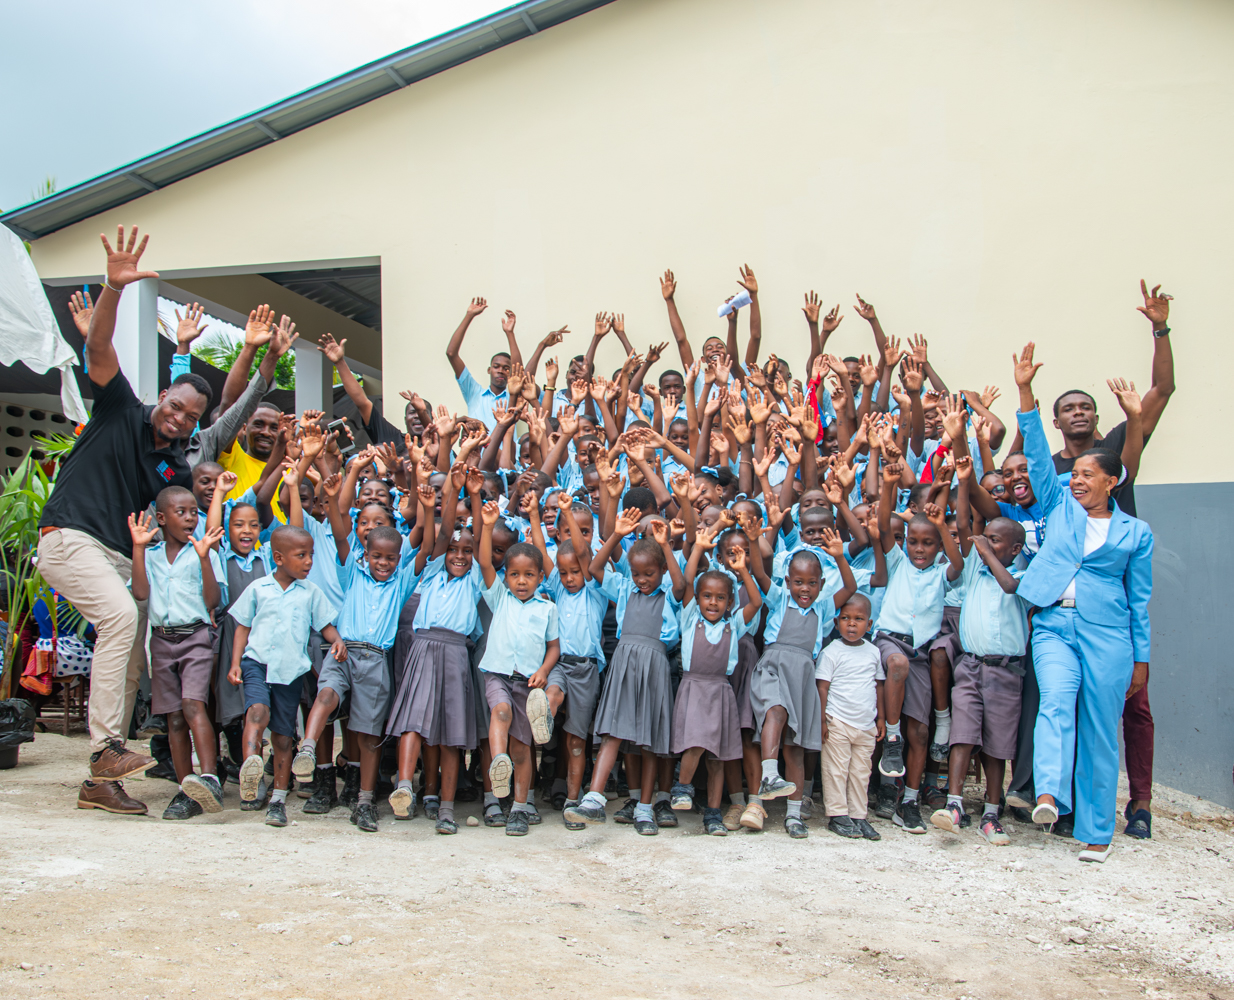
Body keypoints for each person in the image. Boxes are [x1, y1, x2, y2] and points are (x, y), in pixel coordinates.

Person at [42, 226, 215, 817]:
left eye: (189, 417)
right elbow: (98, 350)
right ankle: (107, 747)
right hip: (69, 537)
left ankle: (101, 781)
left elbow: (181, 513)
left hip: (118, 555)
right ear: (161, 395)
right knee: (120, 616)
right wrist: (115, 290)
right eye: (174, 404)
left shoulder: (171, 469)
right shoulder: (119, 408)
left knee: (134, 644)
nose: (177, 418)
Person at [1012, 344, 1153, 863]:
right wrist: (1025, 391)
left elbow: (1140, 602)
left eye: (1088, 475)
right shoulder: (1059, 505)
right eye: (1075, 475)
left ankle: (1095, 833)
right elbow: (1033, 442)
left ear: (1111, 481)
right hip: (1054, 626)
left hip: (1110, 636)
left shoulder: (1135, 534)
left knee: (1099, 729)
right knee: (1055, 704)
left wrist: (1141, 658)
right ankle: (1048, 794)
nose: (1077, 480)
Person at [1049, 282, 1173, 839]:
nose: (1078, 413)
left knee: (1132, 705)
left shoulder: (1120, 447)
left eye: (1085, 407)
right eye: (1068, 408)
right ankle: (1068, 801)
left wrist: (1159, 329)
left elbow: (1163, 390)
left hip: (1114, 605)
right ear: (1058, 422)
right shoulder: (1052, 471)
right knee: (1064, 703)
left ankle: (1140, 803)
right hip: (1064, 610)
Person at [293, 493, 421, 832]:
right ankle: (307, 749)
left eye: (390, 558)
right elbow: (338, 534)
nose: (382, 563)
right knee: (325, 695)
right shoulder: (352, 572)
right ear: (365, 553)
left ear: (398, 559)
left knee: (367, 734)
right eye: (376, 556)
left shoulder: (403, 582)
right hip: (343, 650)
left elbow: (428, 547)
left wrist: (430, 500)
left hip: (376, 660)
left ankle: (364, 801)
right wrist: (334, 498)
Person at [564, 512, 684, 834]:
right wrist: (616, 535)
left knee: (649, 742)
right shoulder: (624, 588)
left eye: (649, 574)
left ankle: (645, 808)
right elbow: (594, 568)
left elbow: (682, 585)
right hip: (624, 664)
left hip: (655, 667)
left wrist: (666, 547)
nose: (643, 580)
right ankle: (594, 798)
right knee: (612, 733)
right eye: (637, 573)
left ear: (661, 571)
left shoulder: (669, 594)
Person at [929, 476, 1030, 847]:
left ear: (1015, 548)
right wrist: (964, 480)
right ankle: (954, 804)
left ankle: (991, 810)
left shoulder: (1021, 573)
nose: (986, 541)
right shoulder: (974, 570)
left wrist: (987, 553)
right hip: (970, 666)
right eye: (986, 537)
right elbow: (964, 522)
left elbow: (1011, 588)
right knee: (964, 734)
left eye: (996, 540)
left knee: (997, 744)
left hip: (1005, 671)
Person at [387, 468, 486, 834]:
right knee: (414, 721)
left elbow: (478, 545)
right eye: (454, 551)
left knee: (451, 734)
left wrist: (473, 498)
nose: (458, 556)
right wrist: (431, 509)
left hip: (456, 652)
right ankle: (403, 787)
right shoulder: (429, 573)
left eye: (466, 551)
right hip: (423, 648)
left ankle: (446, 808)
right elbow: (438, 539)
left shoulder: (475, 578)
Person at [229, 525, 346, 827]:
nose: (309, 561)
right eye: (301, 555)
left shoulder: (311, 592)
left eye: (311, 555)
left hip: (291, 671)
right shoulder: (258, 589)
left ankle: (278, 799)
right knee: (256, 712)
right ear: (279, 558)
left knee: (283, 737)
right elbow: (242, 627)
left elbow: (325, 625)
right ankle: (251, 769)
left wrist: (337, 640)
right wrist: (235, 663)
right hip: (257, 662)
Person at [871, 464, 963, 835]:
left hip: (921, 653)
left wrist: (943, 525)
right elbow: (882, 524)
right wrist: (890, 484)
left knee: (921, 734)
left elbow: (959, 562)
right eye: (913, 542)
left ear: (938, 545)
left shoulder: (943, 571)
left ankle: (908, 801)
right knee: (895, 665)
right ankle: (892, 737)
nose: (919, 549)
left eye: (928, 543)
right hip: (891, 641)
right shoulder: (897, 563)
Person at [748, 532, 856, 839]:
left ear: (821, 584)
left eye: (811, 583)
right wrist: (755, 541)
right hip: (774, 666)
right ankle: (770, 775)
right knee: (776, 712)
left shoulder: (822, 609)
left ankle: (794, 815)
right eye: (797, 582)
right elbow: (758, 571)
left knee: (795, 749)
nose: (804, 589)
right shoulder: (779, 597)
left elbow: (851, 587)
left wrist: (839, 556)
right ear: (787, 580)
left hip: (803, 674)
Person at [126, 489, 226, 820]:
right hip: (161, 642)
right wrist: (138, 549)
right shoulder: (152, 556)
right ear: (161, 519)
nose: (189, 518)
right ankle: (186, 789)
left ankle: (209, 777)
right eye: (181, 512)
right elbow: (140, 593)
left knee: (193, 705)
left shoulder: (203, 552)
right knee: (174, 717)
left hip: (195, 637)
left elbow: (212, 601)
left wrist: (203, 557)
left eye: (194, 512)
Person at [669, 529, 762, 836]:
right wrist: (697, 548)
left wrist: (742, 570)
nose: (713, 602)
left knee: (718, 758)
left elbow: (757, 600)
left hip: (720, 691)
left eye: (720, 598)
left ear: (729, 601)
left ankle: (712, 813)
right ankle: (682, 788)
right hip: (694, 688)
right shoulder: (689, 617)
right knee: (695, 745)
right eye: (707, 596)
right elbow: (684, 584)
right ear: (697, 599)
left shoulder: (733, 624)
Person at [475, 503, 561, 837]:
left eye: (528, 575)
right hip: (497, 673)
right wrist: (486, 526)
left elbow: (554, 647)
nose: (521, 581)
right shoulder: (500, 598)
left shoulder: (547, 608)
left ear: (540, 577)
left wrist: (543, 670)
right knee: (500, 712)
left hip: (528, 682)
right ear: (505, 576)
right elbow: (484, 562)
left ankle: (520, 807)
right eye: (514, 574)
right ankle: (499, 762)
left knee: (524, 749)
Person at [528, 493, 608, 827]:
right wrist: (534, 516)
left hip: (587, 668)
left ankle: (574, 801)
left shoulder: (594, 587)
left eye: (574, 571)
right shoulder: (558, 587)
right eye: (564, 573)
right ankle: (544, 716)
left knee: (576, 741)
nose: (569, 577)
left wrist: (565, 512)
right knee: (552, 692)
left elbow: (585, 553)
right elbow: (542, 554)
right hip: (561, 663)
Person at [816, 593, 883, 841]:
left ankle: (858, 815)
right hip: (838, 720)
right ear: (836, 623)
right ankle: (837, 815)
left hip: (866, 724)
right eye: (845, 618)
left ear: (870, 624)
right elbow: (822, 687)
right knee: (836, 769)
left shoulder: (873, 652)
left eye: (858, 619)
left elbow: (879, 686)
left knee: (860, 772)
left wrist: (882, 719)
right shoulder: (831, 651)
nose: (851, 624)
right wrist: (822, 720)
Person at [444, 297, 514, 431]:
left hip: (507, 452)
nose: (500, 371)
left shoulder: (513, 397)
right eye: (496, 366)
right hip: (477, 452)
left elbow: (519, 371)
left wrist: (509, 333)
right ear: (489, 370)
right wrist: (469, 315)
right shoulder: (474, 393)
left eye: (506, 368)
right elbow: (451, 354)